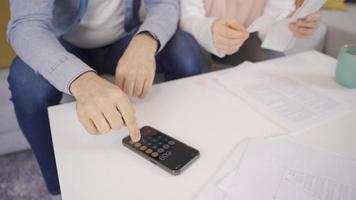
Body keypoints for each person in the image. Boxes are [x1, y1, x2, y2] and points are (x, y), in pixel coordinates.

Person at [7, 0, 204, 195]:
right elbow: (26, 25)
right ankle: (58, 185)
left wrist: (146, 39)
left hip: (123, 41)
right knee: (24, 81)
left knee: (185, 51)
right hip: (64, 46)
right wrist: (80, 79)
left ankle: (181, 148)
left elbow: (164, 3)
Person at [180, 0, 322, 65]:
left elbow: (269, 26)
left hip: (245, 38)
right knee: (187, 61)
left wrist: (293, 22)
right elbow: (188, 17)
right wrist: (211, 29)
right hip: (199, 37)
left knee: (275, 63)